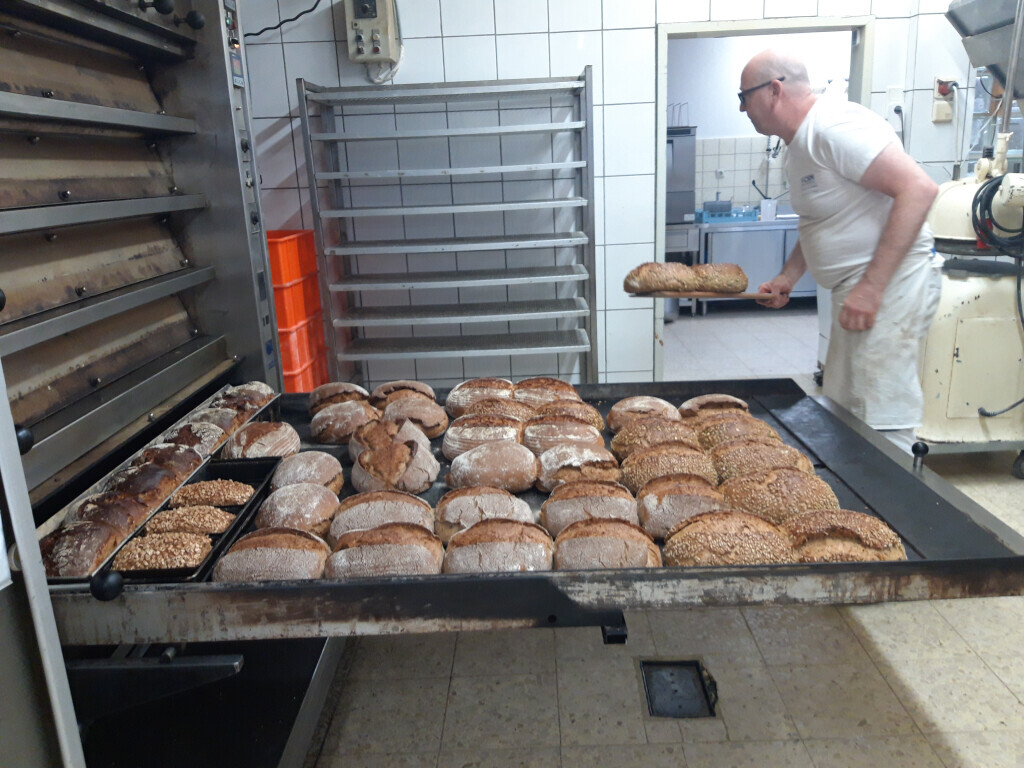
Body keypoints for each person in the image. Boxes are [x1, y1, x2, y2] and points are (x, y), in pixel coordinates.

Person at [739, 49, 942, 452]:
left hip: (890, 285)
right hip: (855, 287)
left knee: (877, 411)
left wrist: (872, 287)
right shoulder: (797, 145)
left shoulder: (833, 126)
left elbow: (918, 189)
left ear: (775, 90)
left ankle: (890, 488)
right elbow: (821, 219)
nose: (742, 108)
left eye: (745, 97)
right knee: (847, 407)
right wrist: (788, 276)